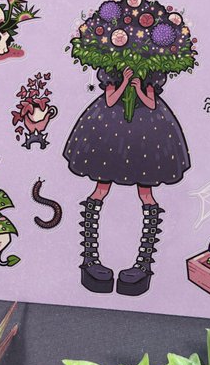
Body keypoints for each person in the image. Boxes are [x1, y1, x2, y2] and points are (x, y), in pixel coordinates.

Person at [64, 65, 190, 296]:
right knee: (101, 188)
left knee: (146, 194)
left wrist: (138, 88)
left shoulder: (151, 74)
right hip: (110, 129)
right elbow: (110, 100)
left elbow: (151, 104)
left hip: (146, 133)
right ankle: (90, 258)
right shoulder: (112, 70)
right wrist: (124, 82)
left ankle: (144, 263)